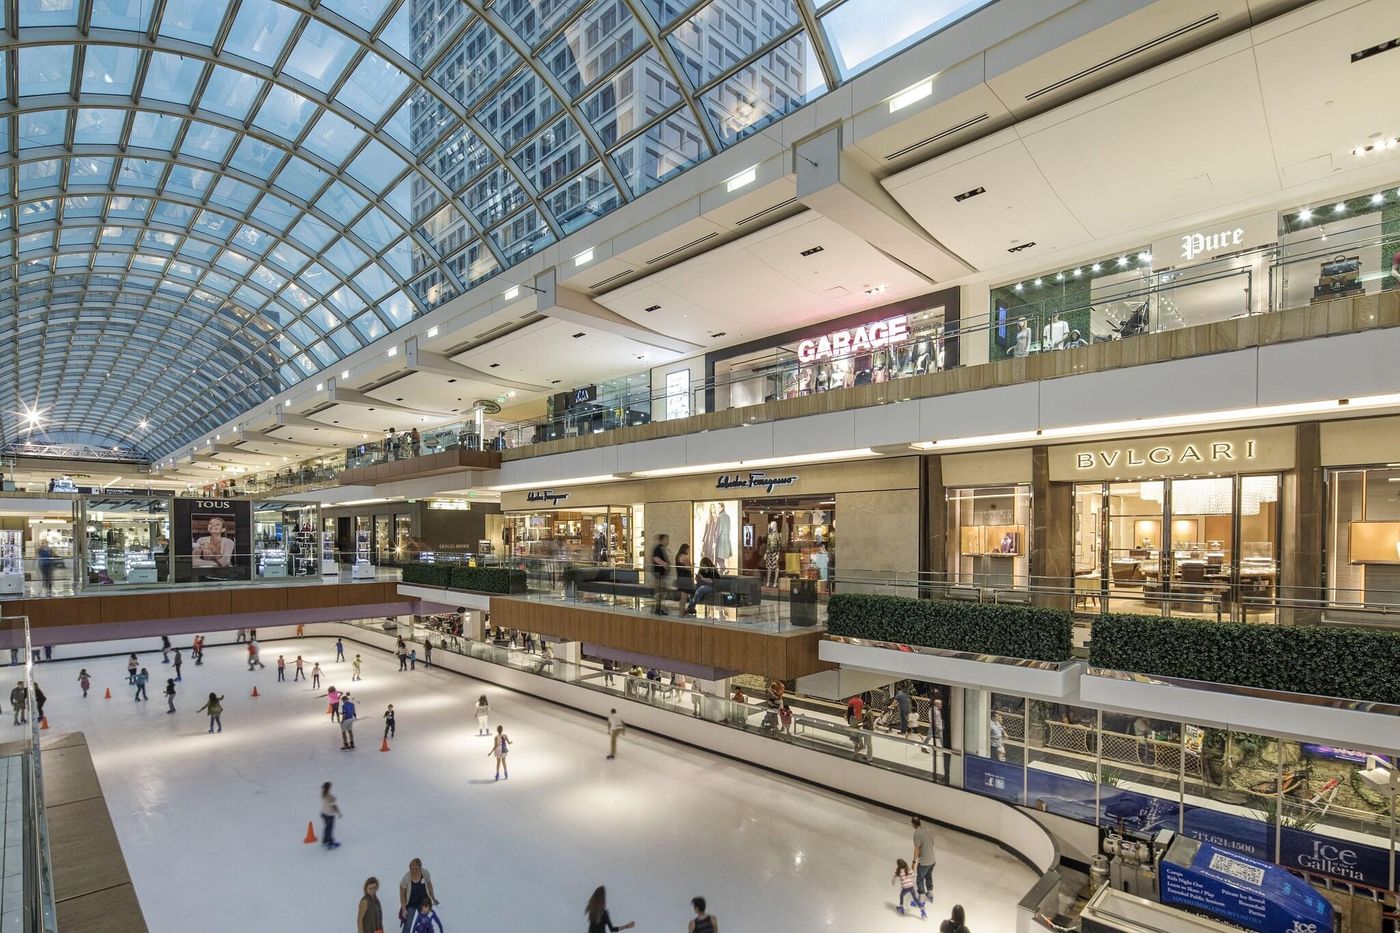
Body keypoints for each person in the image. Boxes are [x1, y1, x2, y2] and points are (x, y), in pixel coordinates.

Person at [398, 858, 438, 933]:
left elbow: (429, 886)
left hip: (423, 903)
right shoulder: (406, 878)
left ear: (420, 868)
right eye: (412, 868)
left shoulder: (425, 873)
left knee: (426, 922)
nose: (414, 871)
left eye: (416, 868)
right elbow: (402, 895)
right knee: (408, 924)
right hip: (411, 904)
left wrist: (433, 898)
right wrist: (403, 909)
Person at [912, 816, 936, 902]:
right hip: (932, 860)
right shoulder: (927, 830)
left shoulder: (917, 834)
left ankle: (921, 896)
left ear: (913, 824)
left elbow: (917, 849)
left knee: (920, 879)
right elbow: (932, 843)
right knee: (928, 876)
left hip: (924, 861)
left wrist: (914, 862)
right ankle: (930, 892)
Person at [650, 533, 672, 616]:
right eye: (666, 539)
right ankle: (657, 608)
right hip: (659, 574)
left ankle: (658, 607)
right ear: (662, 540)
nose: (668, 541)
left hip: (661, 574)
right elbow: (656, 558)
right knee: (660, 591)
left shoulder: (663, 548)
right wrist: (664, 564)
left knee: (661, 591)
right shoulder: (658, 549)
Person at [320, 782, 341, 849]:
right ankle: (330, 843)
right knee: (330, 828)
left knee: (326, 827)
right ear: (329, 788)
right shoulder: (330, 797)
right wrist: (338, 812)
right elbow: (334, 806)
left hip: (323, 813)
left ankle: (325, 840)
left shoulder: (323, 793)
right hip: (329, 815)